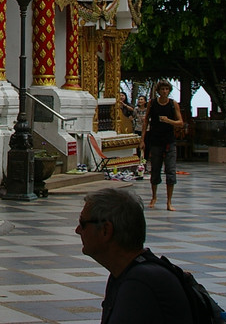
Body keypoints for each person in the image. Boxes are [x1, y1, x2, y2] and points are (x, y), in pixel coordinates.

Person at [76, 186, 191, 323]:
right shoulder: (127, 274)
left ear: (106, 230)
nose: (78, 230)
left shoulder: (139, 284)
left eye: (83, 224)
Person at [140, 80, 183, 211]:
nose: (164, 92)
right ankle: (154, 196)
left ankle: (169, 201)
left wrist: (168, 121)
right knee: (155, 169)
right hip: (155, 140)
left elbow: (180, 122)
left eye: (166, 89)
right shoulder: (152, 104)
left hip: (169, 140)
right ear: (158, 91)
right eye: (162, 89)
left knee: (170, 170)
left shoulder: (172, 104)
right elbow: (146, 120)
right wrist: (142, 139)